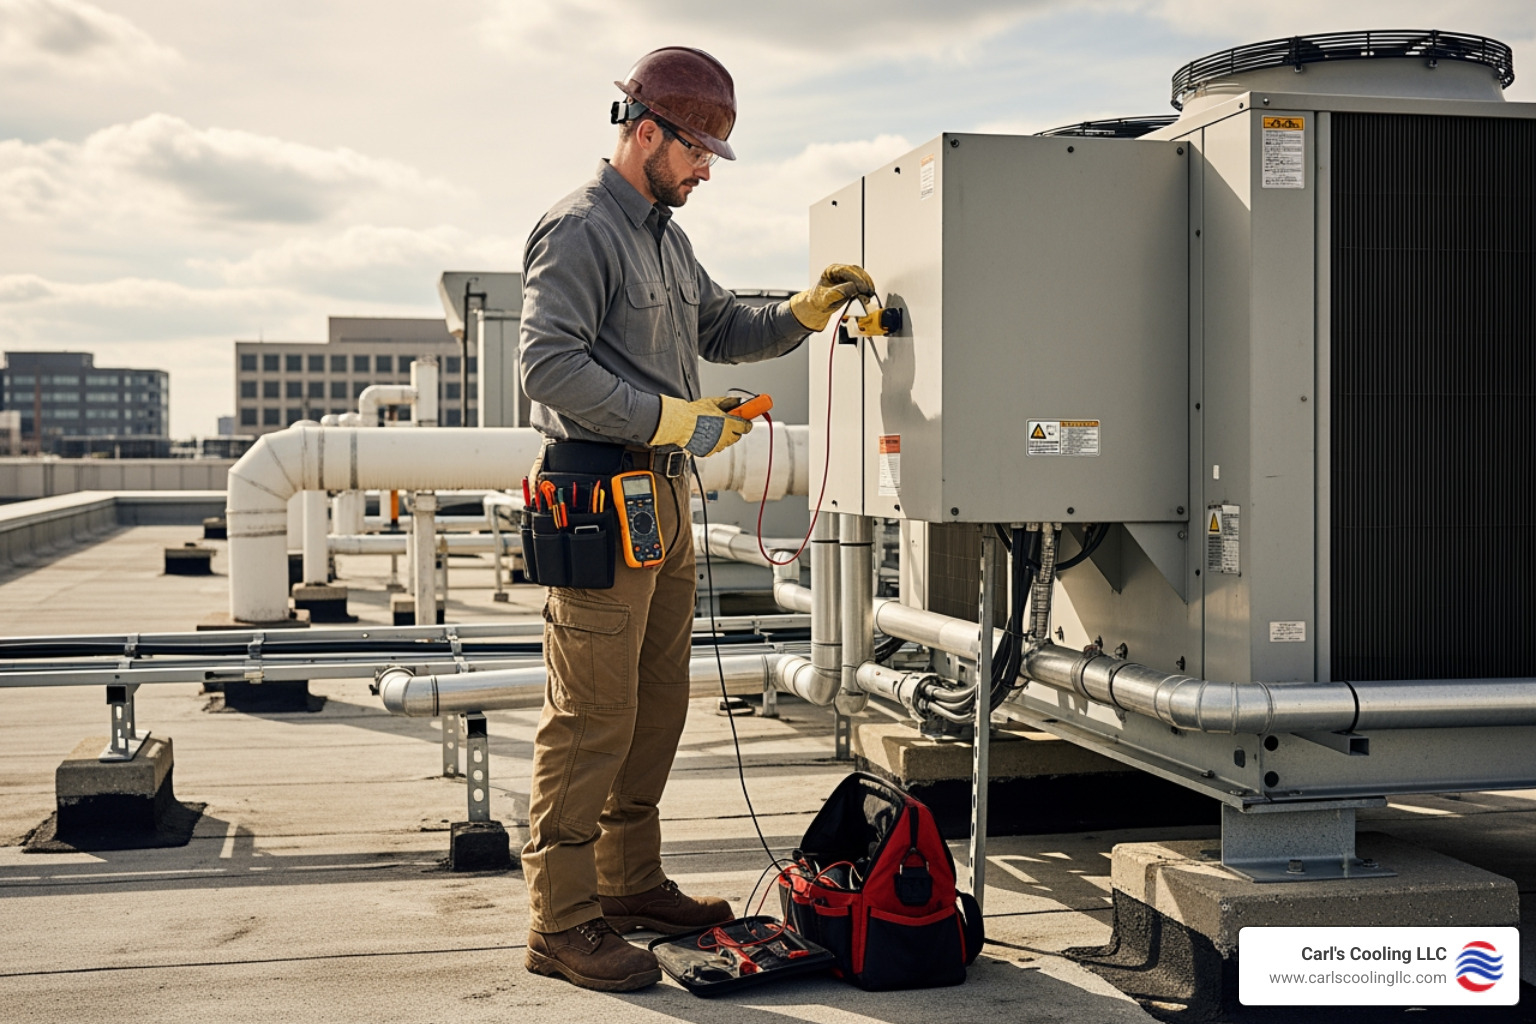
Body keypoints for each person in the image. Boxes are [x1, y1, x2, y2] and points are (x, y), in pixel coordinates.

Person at [516, 46, 876, 992]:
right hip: (599, 491)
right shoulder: (580, 229)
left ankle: (627, 886)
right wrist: (667, 418)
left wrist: (801, 311)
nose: (707, 168)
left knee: (656, 707)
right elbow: (546, 366)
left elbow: (720, 328)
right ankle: (559, 923)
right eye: (699, 151)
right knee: (590, 716)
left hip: (661, 497)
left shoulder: (667, 240)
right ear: (646, 132)